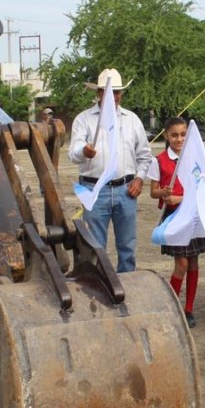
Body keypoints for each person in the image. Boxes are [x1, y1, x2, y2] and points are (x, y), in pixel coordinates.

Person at [68, 68, 152, 273]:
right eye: (108, 92)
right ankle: (97, 284)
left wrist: (139, 179)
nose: (114, 96)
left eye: (117, 92)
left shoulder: (132, 119)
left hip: (126, 188)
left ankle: (127, 283)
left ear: (121, 93)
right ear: (99, 93)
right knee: (95, 247)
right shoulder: (84, 119)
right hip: (95, 189)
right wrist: (84, 151)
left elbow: (145, 156)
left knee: (127, 247)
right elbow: (73, 153)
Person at [146, 117, 205, 329]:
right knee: (181, 263)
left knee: (193, 262)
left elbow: (203, 188)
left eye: (183, 134)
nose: (179, 139)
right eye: (174, 135)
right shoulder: (159, 160)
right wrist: (163, 193)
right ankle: (172, 307)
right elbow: (153, 191)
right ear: (166, 135)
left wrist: (180, 198)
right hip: (174, 217)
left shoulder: (195, 159)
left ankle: (188, 309)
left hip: (193, 216)